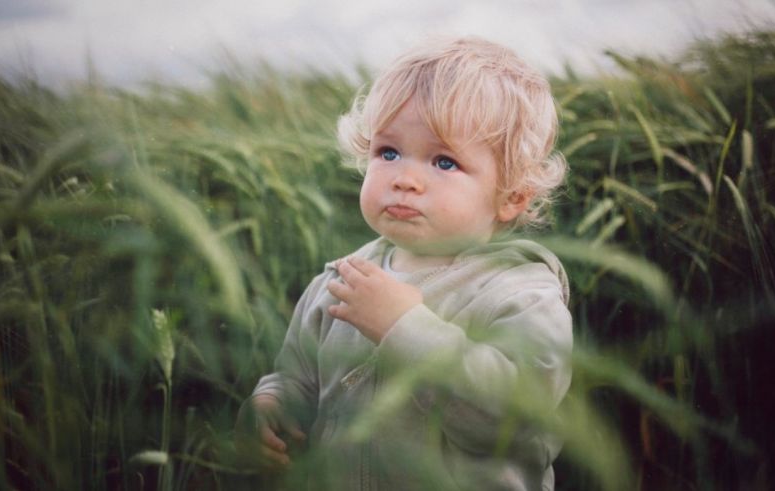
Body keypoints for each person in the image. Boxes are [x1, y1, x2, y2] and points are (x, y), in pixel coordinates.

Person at [237, 36, 573, 491]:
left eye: (444, 161)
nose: (406, 179)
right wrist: (272, 402)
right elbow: (298, 374)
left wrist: (405, 327)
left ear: (512, 196)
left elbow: (511, 421)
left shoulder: (520, 294)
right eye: (388, 152)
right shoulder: (341, 279)